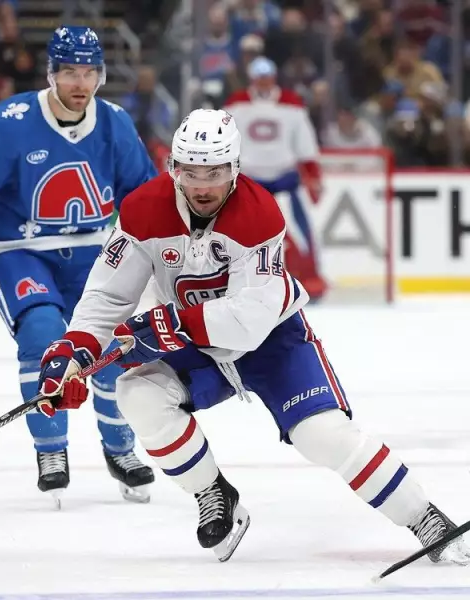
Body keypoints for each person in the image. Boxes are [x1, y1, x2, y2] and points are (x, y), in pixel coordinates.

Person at [35, 108, 470, 564]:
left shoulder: (258, 213)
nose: (203, 186)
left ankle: (427, 519)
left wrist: (169, 325)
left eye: (215, 172)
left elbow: (250, 319)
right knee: (136, 392)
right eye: (190, 172)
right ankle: (213, 493)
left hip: (272, 341)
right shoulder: (143, 209)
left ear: (236, 167)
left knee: (321, 434)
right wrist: (74, 351)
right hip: (196, 342)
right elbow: (108, 294)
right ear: (173, 167)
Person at [0, 26, 158, 506]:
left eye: (90, 72)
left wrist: (167, 253)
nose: (80, 83)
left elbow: (145, 196)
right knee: (43, 335)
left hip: (92, 247)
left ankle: (120, 448)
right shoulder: (11, 123)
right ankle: (51, 449)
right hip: (17, 248)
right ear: (51, 74)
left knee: (115, 344)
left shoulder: (115, 123)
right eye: (70, 72)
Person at [224, 57, 327, 301]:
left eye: (267, 77)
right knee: (236, 233)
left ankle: (308, 278)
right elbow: (226, 140)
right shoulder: (236, 104)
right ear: (252, 79)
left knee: (298, 233)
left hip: (285, 180)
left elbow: (304, 142)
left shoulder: (291, 104)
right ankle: (231, 281)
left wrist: (313, 173)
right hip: (248, 182)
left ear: (274, 77)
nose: (263, 82)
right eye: (259, 78)